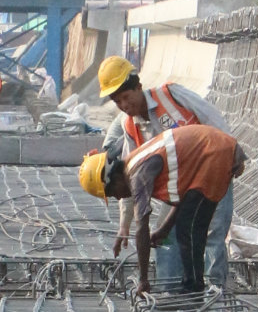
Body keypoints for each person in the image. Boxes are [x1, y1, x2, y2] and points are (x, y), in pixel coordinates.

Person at [97, 56, 237, 289]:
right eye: (117, 102)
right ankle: (172, 289)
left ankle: (215, 292)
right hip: (177, 187)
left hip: (212, 168)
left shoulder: (172, 95)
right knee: (166, 237)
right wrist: (125, 224)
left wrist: (232, 157)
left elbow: (214, 120)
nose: (124, 106)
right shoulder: (129, 126)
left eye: (126, 97)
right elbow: (130, 178)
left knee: (212, 232)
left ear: (138, 87)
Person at [78, 124, 246, 295]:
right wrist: (164, 230)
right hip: (213, 151)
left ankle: (193, 291)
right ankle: (192, 287)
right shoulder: (134, 165)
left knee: (189, 228)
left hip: (215, 153)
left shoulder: (138, 175)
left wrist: (143, 281)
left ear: (114, 178)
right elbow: (184, 197)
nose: (119, 198)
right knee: (187, 224)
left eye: (113, 193)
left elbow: (142, 227)